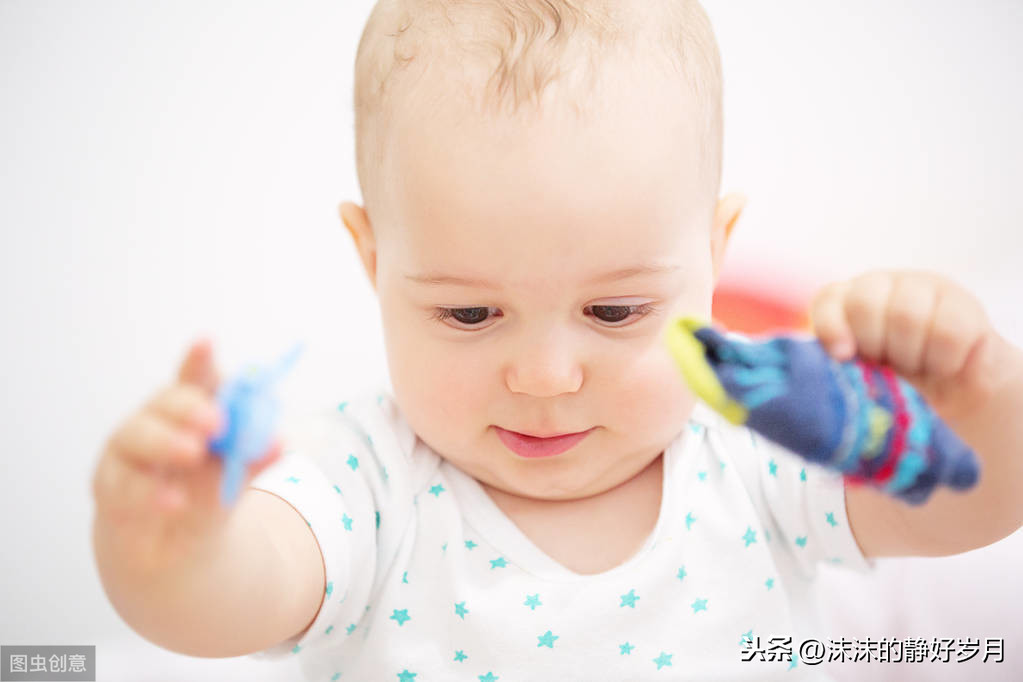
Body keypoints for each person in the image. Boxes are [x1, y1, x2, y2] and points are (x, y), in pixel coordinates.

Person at [91, 1, 1023, 679]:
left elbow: (968, 509)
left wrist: (979, 396)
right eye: (467, 314)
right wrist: (174, 552)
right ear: (372, 258)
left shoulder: (754, 450)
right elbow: (233, 599)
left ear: (712, 253)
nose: (544, 376)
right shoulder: (365, 483)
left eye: (614, 313)